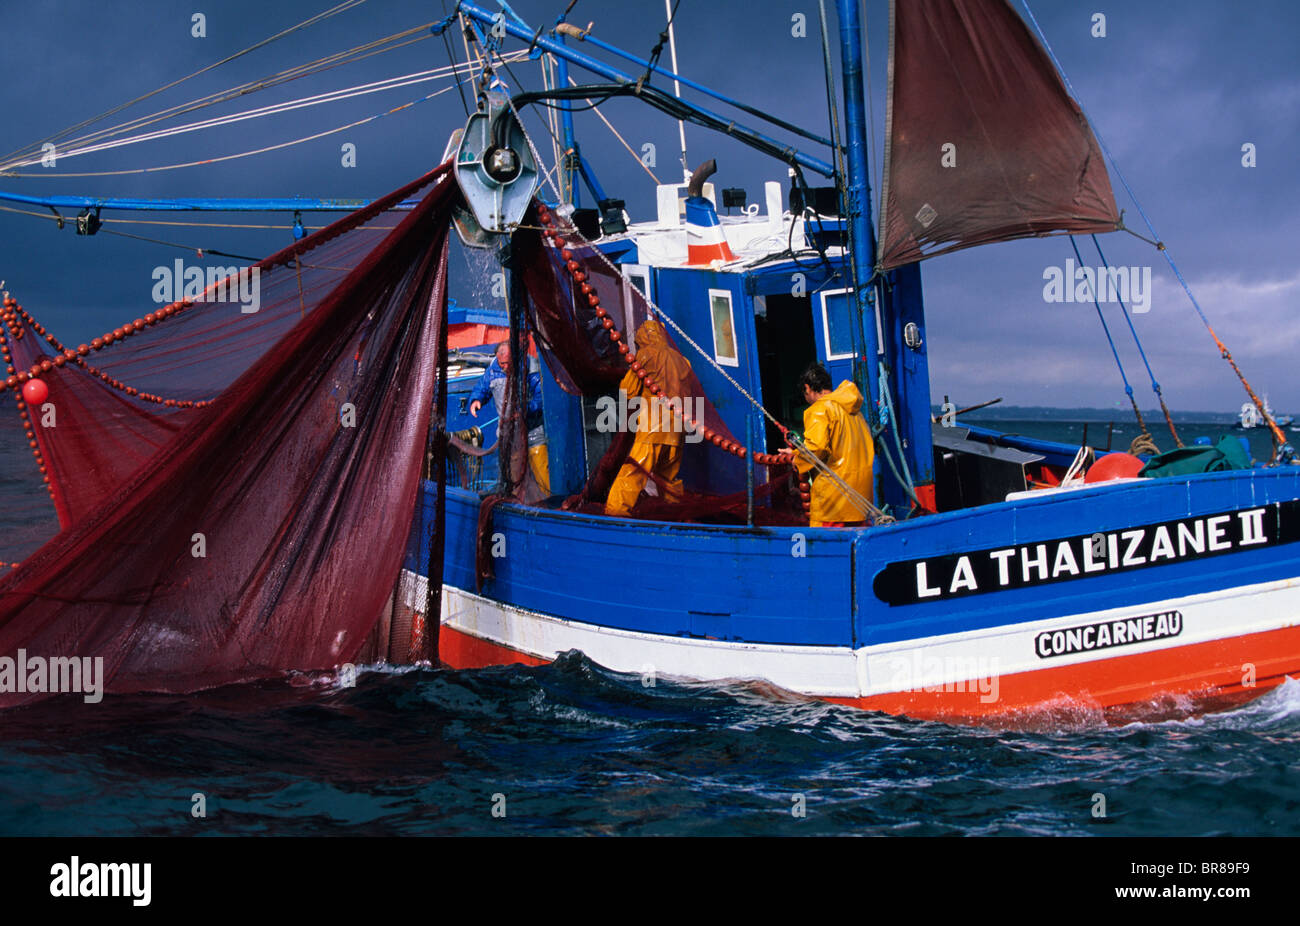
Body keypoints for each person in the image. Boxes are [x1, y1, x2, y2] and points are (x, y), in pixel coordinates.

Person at [605, 317, 693, 517]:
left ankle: (616, 513)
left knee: (634, 470)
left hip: (652, 427)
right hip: (677, 429)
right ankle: (677, 515)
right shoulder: (683, 361)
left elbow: (628, 390)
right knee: (669, 477)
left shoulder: (645, 356)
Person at [788, 363, 874, 527]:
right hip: (860, 501)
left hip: (833, 504)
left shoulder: (819, 410)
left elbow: (816, 448)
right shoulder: (855, 413)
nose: (806, 399)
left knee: (826, 547)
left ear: (808, 388)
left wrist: (796, 460)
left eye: (804, 393)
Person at [469, 341, 549, 494]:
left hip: (533, 431)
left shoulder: (530, 367)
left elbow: (541, 397)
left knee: (541, 473)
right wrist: (476, 399)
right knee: (511, 474)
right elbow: (483, 386)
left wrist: (526, 410)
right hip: (508, 434)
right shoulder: (494, 369)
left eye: (507, 363)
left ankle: (547, 500)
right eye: (501, 363)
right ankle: (513, 497)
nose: (504, 367)